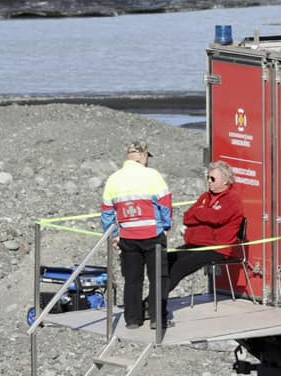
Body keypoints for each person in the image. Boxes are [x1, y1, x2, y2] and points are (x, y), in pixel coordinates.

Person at [101, 140, 172, 329]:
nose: (148, 160)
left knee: (132, 279)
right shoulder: (152, 176)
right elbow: (165, 203)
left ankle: (133, 319)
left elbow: (107, 211)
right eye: (147, 156)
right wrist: (166, 226)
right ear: (142, 155)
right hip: (152, 234)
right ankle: (157, 318)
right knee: (158, 277)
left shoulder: (114, 179)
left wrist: (114, 234)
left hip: (128, 236)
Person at [165, 162, 245, 297]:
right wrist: (204, 213)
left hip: (216, 248)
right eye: (208, 177)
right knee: (167, 259)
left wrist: (200, 213)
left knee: (180, 266)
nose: (209, 181)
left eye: (212, 178)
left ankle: (152, 304)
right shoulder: (205, 196)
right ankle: (157, 301)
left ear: (225, 181)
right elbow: (187, 217)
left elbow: (217, 218)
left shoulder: (232, 199)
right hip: (196, 244)